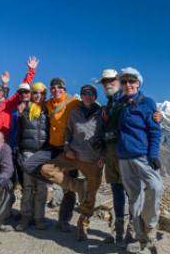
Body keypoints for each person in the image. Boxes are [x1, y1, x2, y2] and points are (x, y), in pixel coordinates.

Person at [98, 69, 163, 245]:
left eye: (131, 82)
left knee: (155, 188)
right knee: (129, 195)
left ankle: (148, 226)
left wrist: (154, 153)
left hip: (141, 155)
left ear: (138, 83)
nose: (128, 85)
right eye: (125, 82)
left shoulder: (144, 102)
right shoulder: (117, 102)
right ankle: (133, 234)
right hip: (120, 155)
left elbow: (154, 128)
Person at [40, 84, 104, 241]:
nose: (87, 96)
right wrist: (68, 147)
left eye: (91, 94)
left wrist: (104, 154)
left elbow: (109, 134)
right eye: (84, 94)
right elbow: (68, 132)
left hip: (93, 159)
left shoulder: (102, 113)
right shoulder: (75, 112)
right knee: (46, 169)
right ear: (81, 96)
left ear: (95, 96)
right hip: (73, 155)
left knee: (91, 194)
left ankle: (83, 223)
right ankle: (78, 186)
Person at [22, 77, 80, 233]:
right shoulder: (47, 104)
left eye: (59, 87)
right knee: (28, 165)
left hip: (69, 149)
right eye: (53, 87)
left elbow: (91, 108)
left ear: (64, 89)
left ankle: (64, 221)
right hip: (53, 147)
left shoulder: (74, 102)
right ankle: (56, 181)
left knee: (70, 189)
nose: (56, 90)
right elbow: (28, 95)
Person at [15, 82, 49, 231]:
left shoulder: (49, 111)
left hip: (43, 153)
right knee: (28, 187)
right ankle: (25, 217)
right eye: (35, 92)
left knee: (41, 187)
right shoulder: (24, 110)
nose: (38, 96)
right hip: (28, 152)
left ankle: (39, 218)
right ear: (31, 94)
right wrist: (20, 151)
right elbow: (19, 132)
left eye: (41, 93)